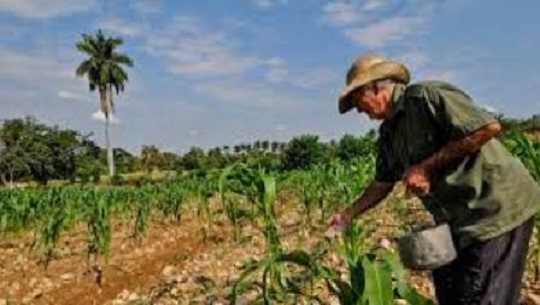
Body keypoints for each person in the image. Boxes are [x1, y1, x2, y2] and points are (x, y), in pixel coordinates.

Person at [326, 54, 540, 305]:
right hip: (456, 222)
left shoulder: (425, 97)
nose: (359, 110)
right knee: (451, 294)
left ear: (376, 86)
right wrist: (348, 214)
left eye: (357, 101)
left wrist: (426, 167)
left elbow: (486, 127)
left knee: (484, 297)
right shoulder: (389, 133)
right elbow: (382, 182)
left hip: (496, 209)